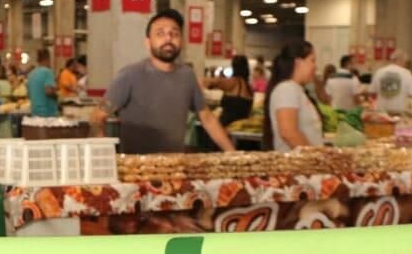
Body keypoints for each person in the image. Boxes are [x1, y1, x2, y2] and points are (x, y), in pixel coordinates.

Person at [95, 10, 234, 154]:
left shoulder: (187, 76)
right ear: (148, 43)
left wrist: (232, 153)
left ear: (181, 41)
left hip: (174, 169)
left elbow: (207, 118)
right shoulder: (129, 75)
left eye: (174, 33)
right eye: (160, 33)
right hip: (136, 170)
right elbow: (98, 115)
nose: (168, 38)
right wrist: (101, 155)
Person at [264, 41, 323, 153]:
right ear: (298, 62)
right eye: (312, 61)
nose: (315, 67)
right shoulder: (287, 89)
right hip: (296, 165)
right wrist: (314, 157)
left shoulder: (296, 90)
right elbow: (288, 132)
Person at [204, 55, 254, 126]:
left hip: (226, 126)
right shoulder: (249, 87)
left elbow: (209, 82)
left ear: (233, 67)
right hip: (240, 127)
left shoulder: (233, 82)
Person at [27, 49, 59, 117]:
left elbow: (29, 93)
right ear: (48, 58)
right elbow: (49, 91)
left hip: (35, 111)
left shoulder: (32, 74)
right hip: (47, 113)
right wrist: (57, 96)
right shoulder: (47, 72)